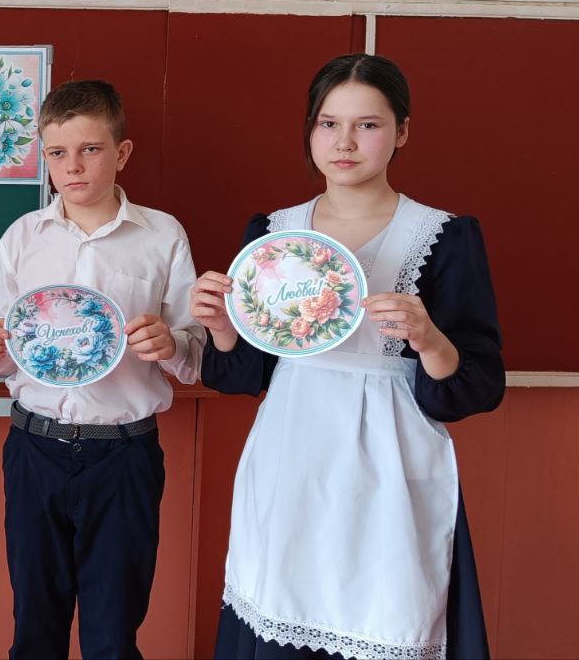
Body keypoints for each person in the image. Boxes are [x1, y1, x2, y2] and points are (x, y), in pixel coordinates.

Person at [190, 54, 504, 660]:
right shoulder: (273, 235)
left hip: (390, 462)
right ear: (310, 130)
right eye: (329, 124)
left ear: (402, 132)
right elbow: (246, 374)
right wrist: (222, 326)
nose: (345, 142)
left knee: (387, 614)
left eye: (368, 125)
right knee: (280, 606)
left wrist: (428, 338)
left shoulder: (443, 236)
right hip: (290, 455)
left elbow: (480, 382)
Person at [0, 79, 204, 659]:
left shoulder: (162, 236)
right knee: (34, 630)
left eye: (90, 149)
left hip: (124, 455)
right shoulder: (22, 238)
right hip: (35, 448)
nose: (72, 166)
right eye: (57, 152)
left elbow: (195, 356)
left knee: (112, 636)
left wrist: (170, 342)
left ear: (121, 152)